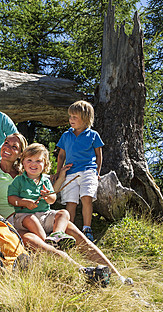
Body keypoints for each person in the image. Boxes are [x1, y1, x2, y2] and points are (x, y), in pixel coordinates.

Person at [0, 134, 133, 285]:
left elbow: (51, 190)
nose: (8, 148)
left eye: (14, 147)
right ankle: (84, 271)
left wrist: (60, 177)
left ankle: (117, 277)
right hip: (14, 221)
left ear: (21, 155)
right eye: (6, 143)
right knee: (32, 240)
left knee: (72, 229)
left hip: (41, 216)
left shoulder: (28, 172)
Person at [7, 143, 77, 249]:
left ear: (45, 164)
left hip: (45, 215)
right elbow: (11, 199)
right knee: (30, 219)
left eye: (38, 161)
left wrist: (48, 196)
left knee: (64, 213)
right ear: (23, 163)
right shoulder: (19, 180)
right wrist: (24, 202)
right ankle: (45, 242)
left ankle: (56, 235)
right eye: (29, 160)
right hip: (24, 217)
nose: (33, 164)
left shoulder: (45, 181)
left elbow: (52, 200)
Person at [55, 100, 104, 242]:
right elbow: (61, 155)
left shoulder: (93, 135)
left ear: (86, 118)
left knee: (86, 198)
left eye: (74, 117)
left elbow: (99, 155)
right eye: (70, 116)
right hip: (70, 172)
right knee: (70, 202)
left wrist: (97, 171)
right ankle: (70, 230)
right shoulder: (66, 135)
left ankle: (87, 228)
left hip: (88, 171)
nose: (71, 120)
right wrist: (59, 173)